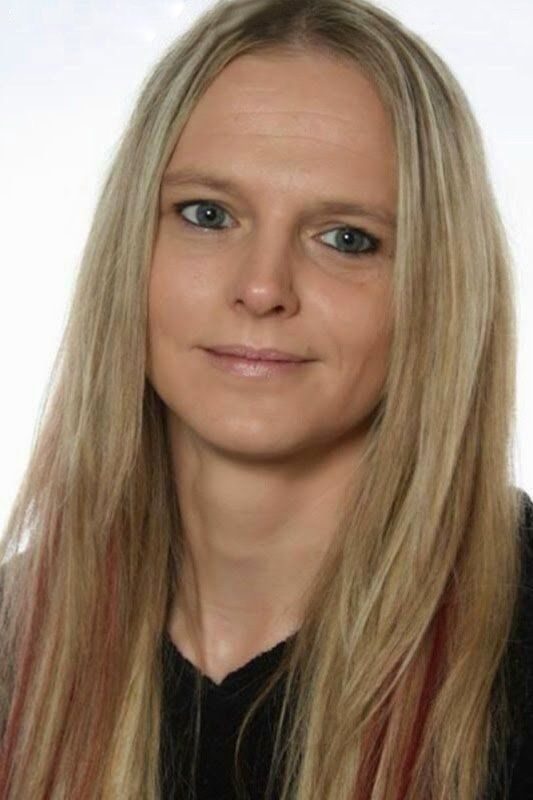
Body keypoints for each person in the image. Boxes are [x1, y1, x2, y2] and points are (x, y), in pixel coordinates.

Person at [0, 0, 531, 797]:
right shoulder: (15, 645)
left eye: (346, 238)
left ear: (436, 287)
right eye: (207, 215)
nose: (260, 287)